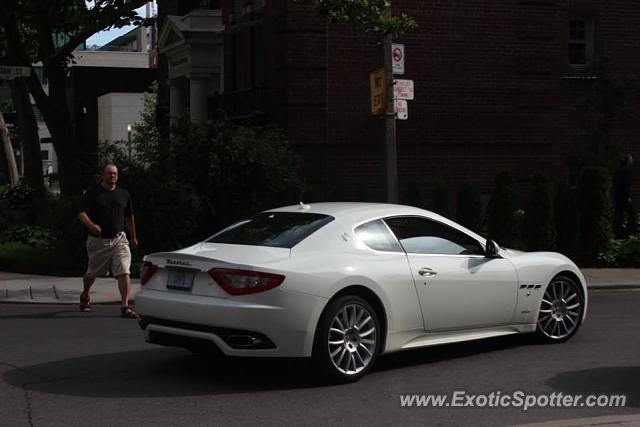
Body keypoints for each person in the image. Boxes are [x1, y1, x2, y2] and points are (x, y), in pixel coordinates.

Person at [78, 162, 139, 318]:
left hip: (119, 239)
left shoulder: (123, 194)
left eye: (115, 174)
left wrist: (133, 236)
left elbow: (129, 217)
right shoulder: (93, 193)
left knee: (124, 270)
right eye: (109, 173)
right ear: (103, 175)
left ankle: (125, 306)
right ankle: (85, 295)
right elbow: (82, 214)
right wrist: (91, 226)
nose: (112, 176)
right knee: (92, 273)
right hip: (98, 241)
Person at [613, 154, 636, 238]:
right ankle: (629, 232)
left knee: (619, 214)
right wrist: (628, 196)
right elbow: (626, 184)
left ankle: (618, 233)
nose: (632, 161)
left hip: (617, 196)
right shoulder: (627, 170)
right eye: (631, 159)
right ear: (628, 161)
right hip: (624, 196)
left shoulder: (618, 170)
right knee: (632, 214)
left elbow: (614, 183)